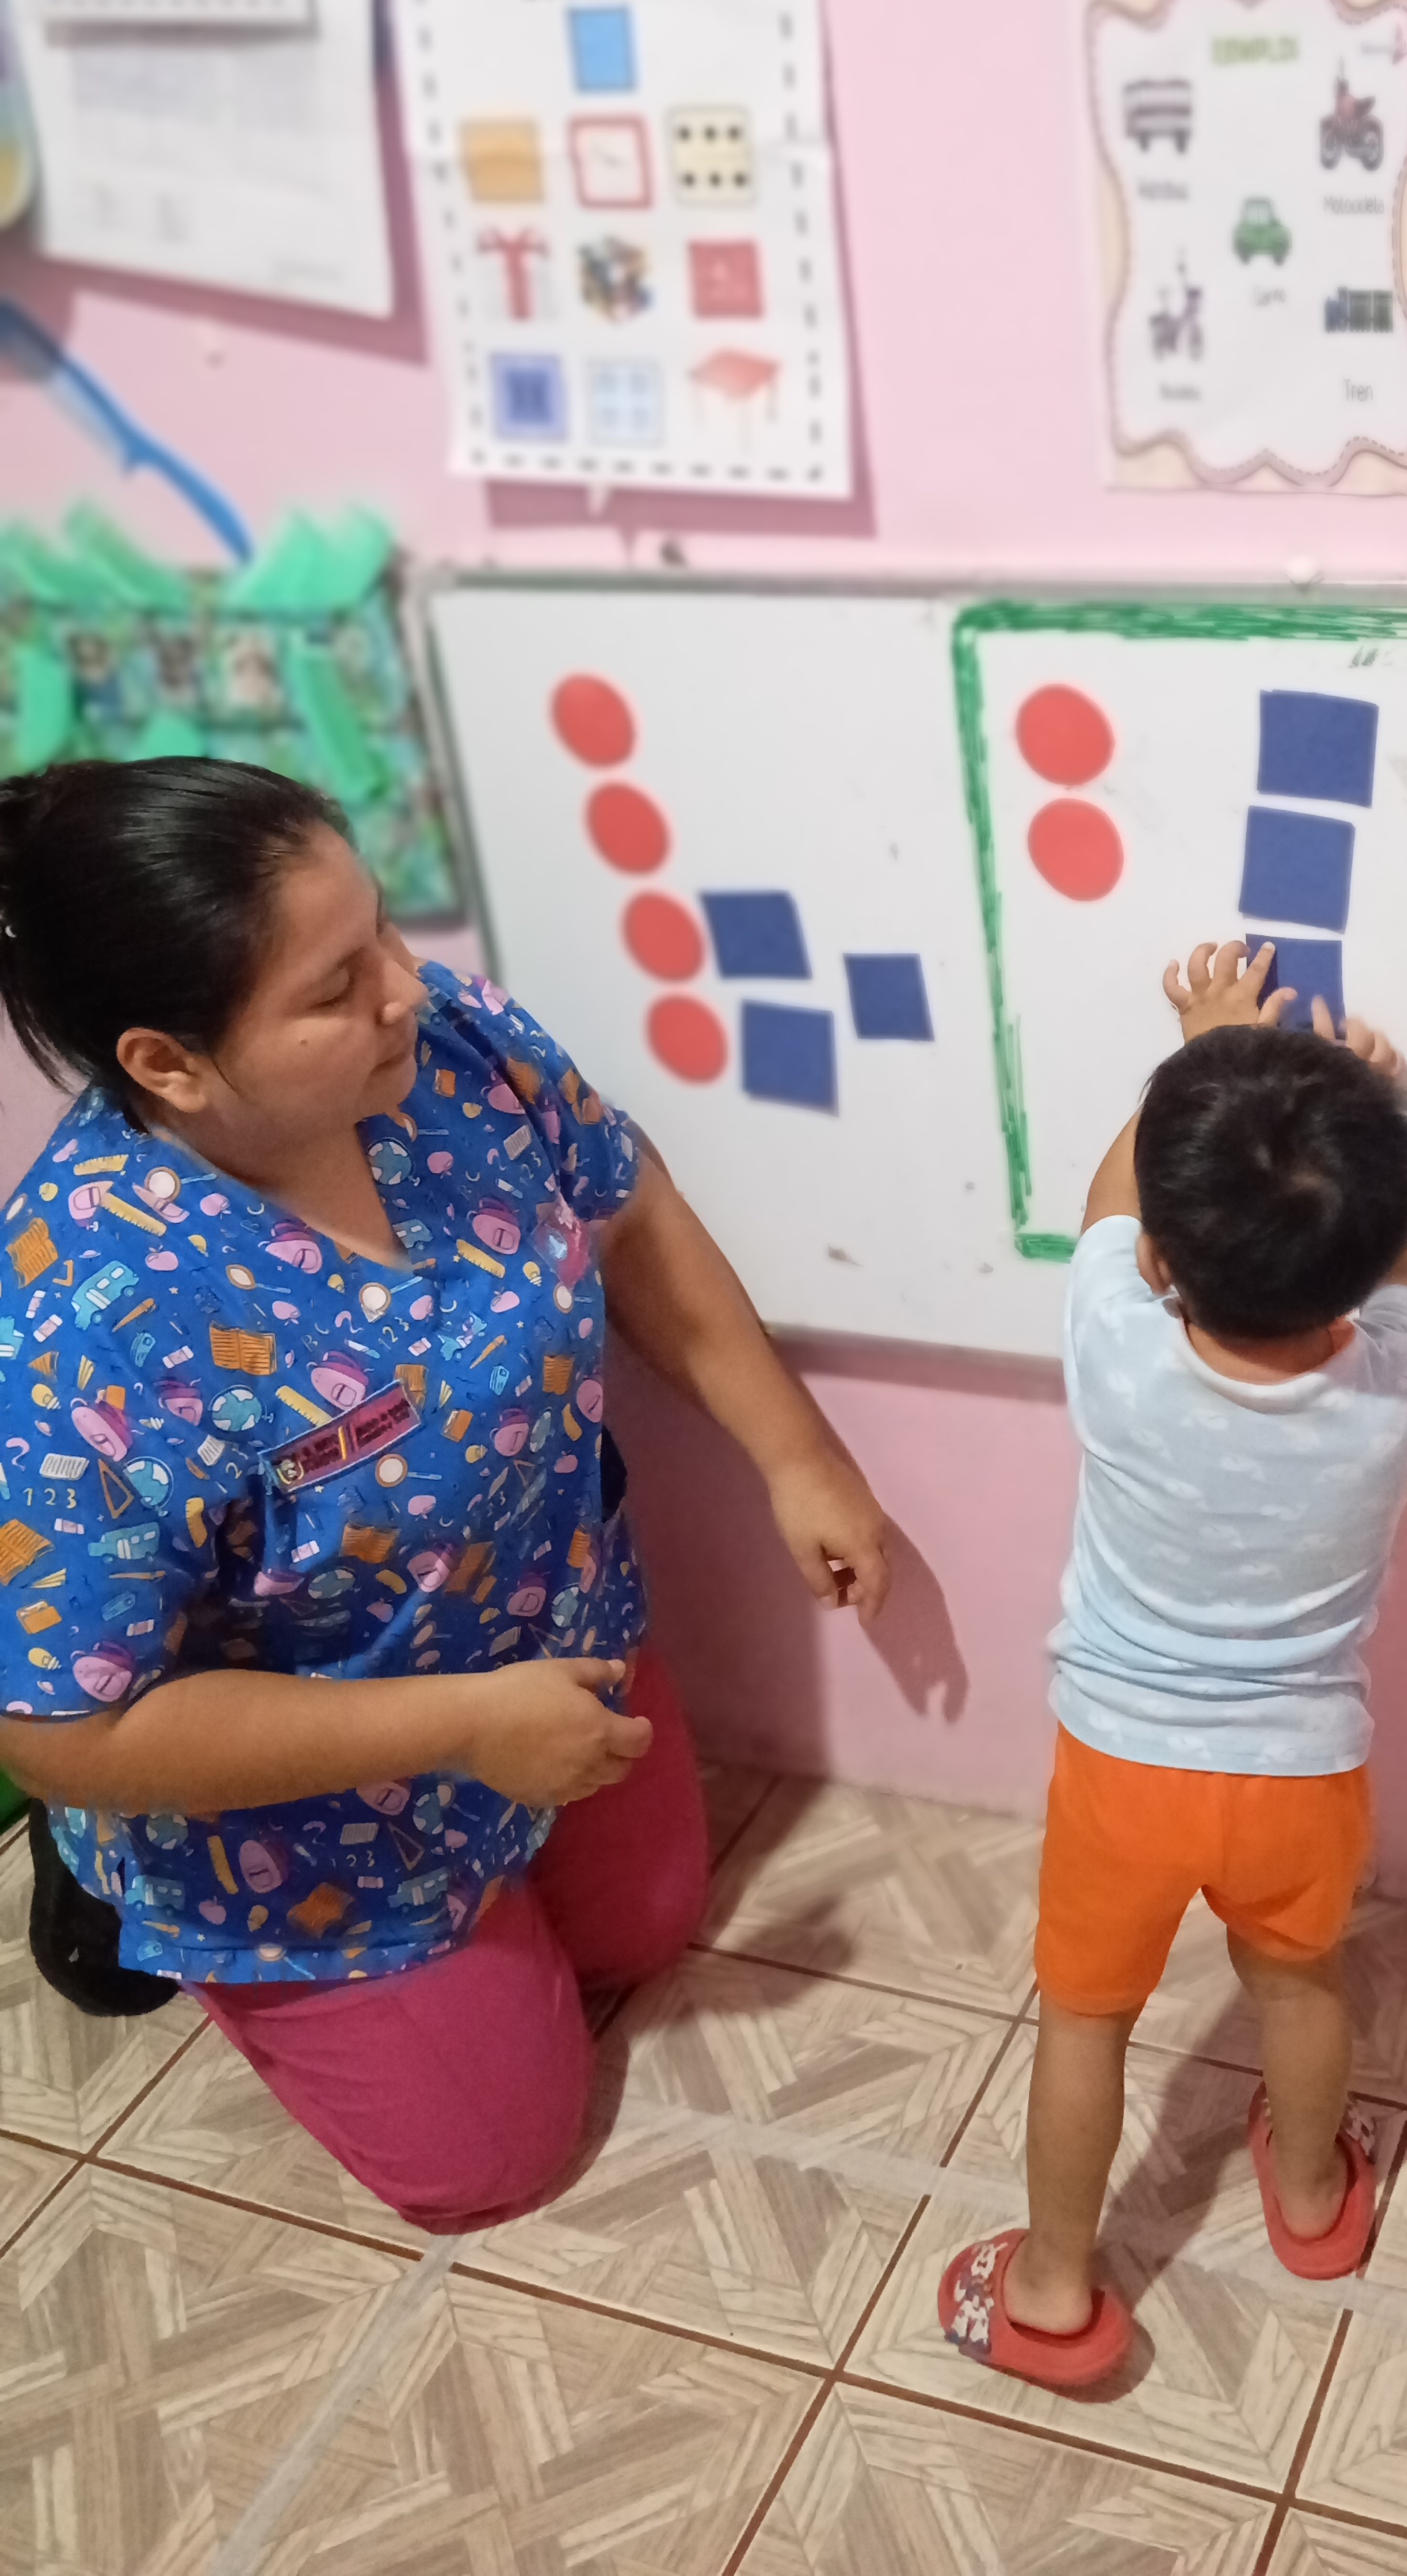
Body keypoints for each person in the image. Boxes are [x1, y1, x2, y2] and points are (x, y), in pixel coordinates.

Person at [0, 758, 892, 2231]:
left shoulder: (452, 1044)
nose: (408, 989)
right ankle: (113, 1890)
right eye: (336, 985)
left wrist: (800, 1454)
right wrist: (467, 1727)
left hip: (556, 1642)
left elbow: (628, 1208)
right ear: (169, 1064)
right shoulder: (84, 1320)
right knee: (489, 2164)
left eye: (384, 935)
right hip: (302, 1817)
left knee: (650, 1929)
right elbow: (57, 1729)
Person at [939, 939, 1407, 2390]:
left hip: (1124, 1770)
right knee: (1299, 1985)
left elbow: (1112, 1210)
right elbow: (1403, 1270)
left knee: (1086, 2022)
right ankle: (1312, 2199)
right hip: (1300, 1773)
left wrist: (1198, 1051)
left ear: (1165, 1258)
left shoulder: (1118, 1347)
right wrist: (1372, 1118)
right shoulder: (1402, 1384)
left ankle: (1052, 2288)